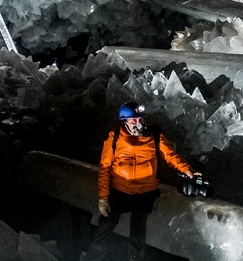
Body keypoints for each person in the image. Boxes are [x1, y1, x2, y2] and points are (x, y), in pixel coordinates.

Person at [83, 102, 199, 261]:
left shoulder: (155, 136)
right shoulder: (115, 138)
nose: (137, 122)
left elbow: (170, 156)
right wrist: (103, 197)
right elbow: (105, 168)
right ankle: (93, 258)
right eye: (133, 120)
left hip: (145, 193)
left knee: (138, 232)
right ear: (124, 122)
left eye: (140, 119)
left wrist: (187, 170)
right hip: (120, 191)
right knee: (105, 226)